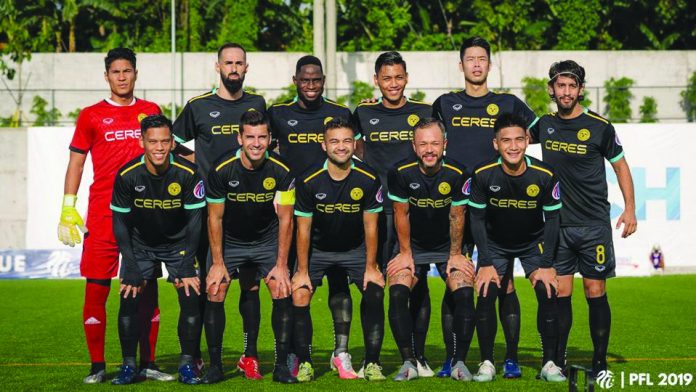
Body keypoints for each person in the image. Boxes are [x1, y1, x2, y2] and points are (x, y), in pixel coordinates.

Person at [58, 47, 166, 383]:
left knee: (146, 286)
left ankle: (147, 362)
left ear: (136, 73)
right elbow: (76, 162)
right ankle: (97, 365)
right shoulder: (91, 115)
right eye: (115, 72)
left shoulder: (150, 111)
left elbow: (168, 152)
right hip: (103, 214)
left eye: (127, 71)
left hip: (145, 215)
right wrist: (67, 206)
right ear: (106, 76)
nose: (122, 77)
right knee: (97, 286)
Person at [431, 36, 537, 378]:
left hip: (496, 210)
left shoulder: (508, 103)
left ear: (490, 65)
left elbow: (543, 131)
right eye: (470, 59)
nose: (476, 64)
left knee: (503, 284)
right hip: (456, 209)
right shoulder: (445, 103)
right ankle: (454, 357)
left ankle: (508, 358)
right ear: (461, 65)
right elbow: (422, 133)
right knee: (455, 280)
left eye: (482, 59)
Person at [530, 60, 637, 376]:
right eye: (560, 85)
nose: (565, 91)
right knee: (560, 294)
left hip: (593, 226)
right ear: (552, 89)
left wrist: (630, 209)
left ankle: (600, 362)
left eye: (571, 86)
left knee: (595, 292)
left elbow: (621, 167)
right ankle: (557, 362)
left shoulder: (600, 126)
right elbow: (510, 138)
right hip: (557, 226)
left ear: (580, 90)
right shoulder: (543, 124)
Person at [172, 42, 267, 379]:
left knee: (250, 286)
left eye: (239, 63)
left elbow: (264, 146)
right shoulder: (198, 106)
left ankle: (249, 354)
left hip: (248, 211)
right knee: (208, 284)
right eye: (228, 63)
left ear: (246, 67)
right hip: (208, 210)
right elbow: (171, 144)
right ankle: (198, 357)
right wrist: (201, 169)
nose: (233, 68)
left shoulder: (256, 104)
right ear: (218, 67)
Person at [268, 55, 358, 378]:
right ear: (295, 80)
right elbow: (264, 152)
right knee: (295, 284)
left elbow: (355, 151)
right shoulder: (278, 114)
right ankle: (295, 353)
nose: (310, 86)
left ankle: (341, 352)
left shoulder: (340, 114)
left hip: (334, 210)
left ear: (323, 80)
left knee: (339, 282)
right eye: (304, 80)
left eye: (316, 80)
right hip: (294, 212)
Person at [352, 52, 434, 376]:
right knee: (371, 285)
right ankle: (370, 358)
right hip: (375, 212)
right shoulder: (362, 112)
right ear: (376, 80)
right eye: (386, 78)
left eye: (398, 77)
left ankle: (419, 356)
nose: (393, 84)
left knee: (417, 284)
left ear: (407, 78)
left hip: (415, 213)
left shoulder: (424, 112)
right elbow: (354, 152)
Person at [109, 114, 205, 385]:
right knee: (129, 297)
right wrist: (129, 264)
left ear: (173, 143)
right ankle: (129, 366)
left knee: (189, 297)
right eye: (153, 142)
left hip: (178, 246)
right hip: (140, 246)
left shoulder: (188, 173)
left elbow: (195, 222)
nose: (160, 147)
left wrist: (186, 263)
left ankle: (187, 364)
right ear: (142, 142)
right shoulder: (128, 175)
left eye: (165, 141)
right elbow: (120, 223)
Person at [202, 110, 297, 384]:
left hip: (266, 240)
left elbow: (286, 218)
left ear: (270, 139)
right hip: (230, 240)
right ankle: (215, 366)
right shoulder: (221, 169)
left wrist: (281, 265)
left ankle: (280, 367)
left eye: (262, 137)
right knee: (215, 289)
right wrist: (218, 263)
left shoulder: (282, 171)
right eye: (250, 137)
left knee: (280, 288)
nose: (256, 143)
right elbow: (215, 217)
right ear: (239, 138)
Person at [469, 112, 564, 382]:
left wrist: (547, 265)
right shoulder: (482, 174)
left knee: (547, 291)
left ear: (527, 141)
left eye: (519, 140)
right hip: (495, 245)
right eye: (506, 140)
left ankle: (549, 364)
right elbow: (476, 218)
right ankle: (487, 362)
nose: (513, 146)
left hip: (533, 243)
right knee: (486, 291)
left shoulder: (545, 175)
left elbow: (553, 219)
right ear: (495, 144)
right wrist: (485, 261)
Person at [291, 117, 386, 382]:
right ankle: (306, 362)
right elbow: (303, 229)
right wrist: (301, 271)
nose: (341, 147)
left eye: (346, 141)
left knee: (374, 290)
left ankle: (372, 363)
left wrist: (371, 268)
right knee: (299, 293)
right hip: (318, 251)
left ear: (355, 144)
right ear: (324, 145)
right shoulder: (309, 179)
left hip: (354, 250)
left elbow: (371, 227)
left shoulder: (368, 178)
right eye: (334, 141)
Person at [386, 118, 476, 381]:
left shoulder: (459, 173)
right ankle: (408, 363)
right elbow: (400, 213)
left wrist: (456, 255)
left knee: (462, 290)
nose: (429, 149)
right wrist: (405, 253)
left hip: (449, 244)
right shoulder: (400, 172)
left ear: (444, 145)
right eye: (423, 144)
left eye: (435, 143)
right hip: (413, 245)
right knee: (399, 290)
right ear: (414, 147)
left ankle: (459, 362)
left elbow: (457, 215)